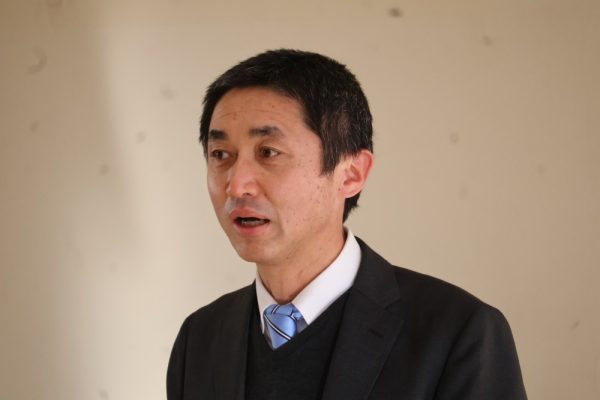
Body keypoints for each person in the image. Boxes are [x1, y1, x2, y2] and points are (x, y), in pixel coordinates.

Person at [167, 49, 527, 400]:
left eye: (269, 152)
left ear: (352, 173)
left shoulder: (457, 333)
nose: (236, 185)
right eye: (220, 155)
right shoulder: (199, 338)